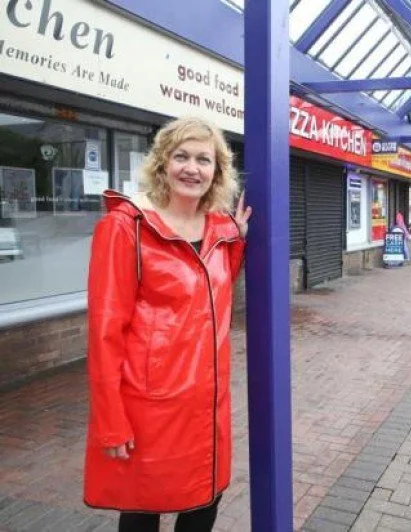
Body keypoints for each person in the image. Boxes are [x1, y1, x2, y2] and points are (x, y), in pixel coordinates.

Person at [83, 117, 252, 532]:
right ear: (162, 164)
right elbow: (105, 332)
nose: (192, 168)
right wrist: (111, 420)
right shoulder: (126, 227)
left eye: (203, 159)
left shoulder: (221, 232)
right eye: (181, 156)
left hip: (207, 404)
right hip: (150, 406)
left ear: (217, 171)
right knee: (143, 508)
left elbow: (213, 295)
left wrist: (238, 236)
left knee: (204, 503)